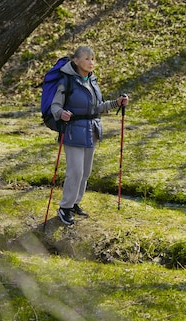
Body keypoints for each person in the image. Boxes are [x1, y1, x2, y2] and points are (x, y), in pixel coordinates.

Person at [50, 45, 129, 226]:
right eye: (87, 58)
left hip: (91, 131)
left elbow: (97, 108)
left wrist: (116, 103)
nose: (91, 62)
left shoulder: (92, 81)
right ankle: (64, 207)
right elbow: (55, 106)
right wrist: (61, 113)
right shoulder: (67, 82)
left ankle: (75, 203)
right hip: (72, 132)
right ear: (76, 61)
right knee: (75, 172)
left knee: (85, 172)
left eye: (93, 59)